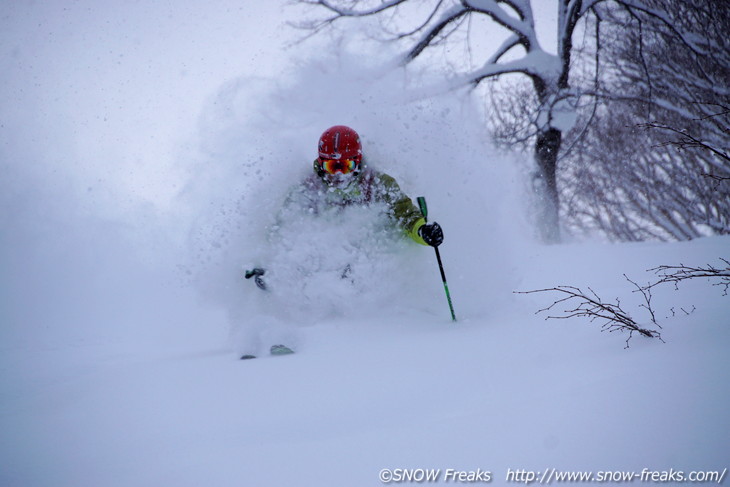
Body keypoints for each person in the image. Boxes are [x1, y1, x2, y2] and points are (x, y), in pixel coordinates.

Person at [246, 125, 444, 287]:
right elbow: (283, 227)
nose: (338, 175)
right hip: (325, 259)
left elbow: (406, 216)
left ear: (357, 162)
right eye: (332, 167)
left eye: (345, 166)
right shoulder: (308, 188)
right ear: (321, 164)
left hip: (367, 255)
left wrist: (423, 232)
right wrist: (265, 261)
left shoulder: (378, 184)